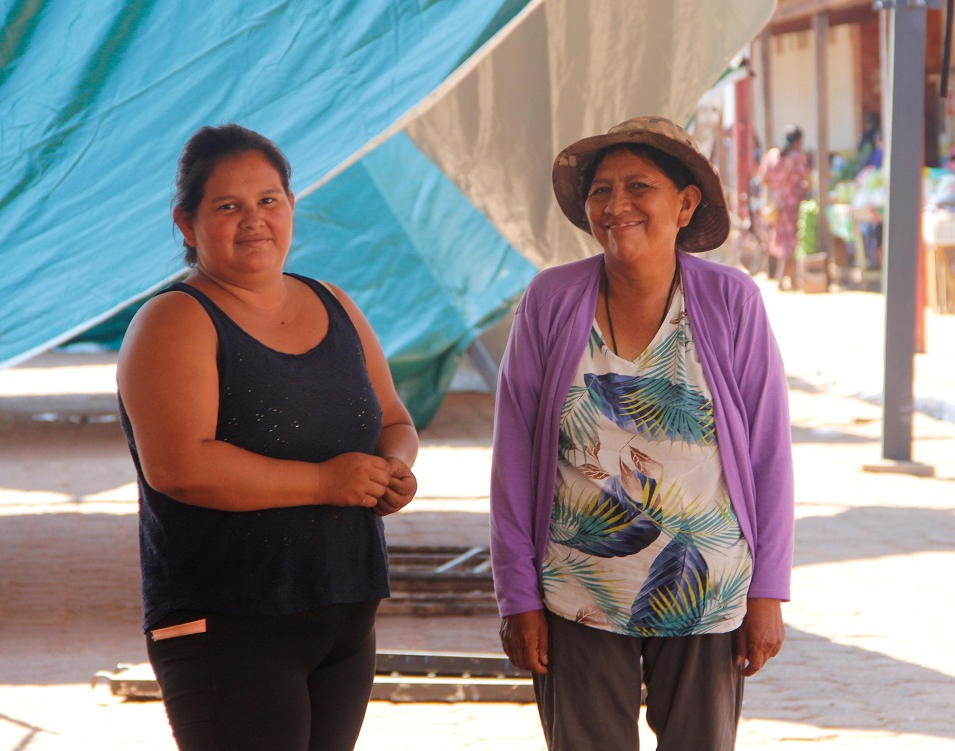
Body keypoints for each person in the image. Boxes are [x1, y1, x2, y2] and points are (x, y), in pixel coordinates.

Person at [490, 116, 794, 751]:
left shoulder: (731, 301)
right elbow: (514, 459)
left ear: (685, 204)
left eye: (639, 187)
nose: (616, 205)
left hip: (705, 588)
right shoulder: (549, 300)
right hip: (577, 591)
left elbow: (768, 453)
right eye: (602, 190)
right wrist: (516, 594)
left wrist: (768, 591)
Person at [116, 123, 418, 751]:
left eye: (268, 201)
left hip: (344, 616)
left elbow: (394, 420)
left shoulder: (332, 301)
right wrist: (327, 482)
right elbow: (180, 467)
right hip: (229, 623)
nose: (253, 220)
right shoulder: (174, 319)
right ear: (186, 223)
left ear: (290, 207)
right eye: (228, 206)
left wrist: (394, 469)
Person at [758, 125, 811, 289]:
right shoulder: (798, 157)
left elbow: (763, 179)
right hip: (793, 204)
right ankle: (783, 277)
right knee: (792, 241)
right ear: (798, 141)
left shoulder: (772, 156)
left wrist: (778, 185)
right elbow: (808, 181)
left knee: (781, 240)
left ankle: (790, 278)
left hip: (777, 204)